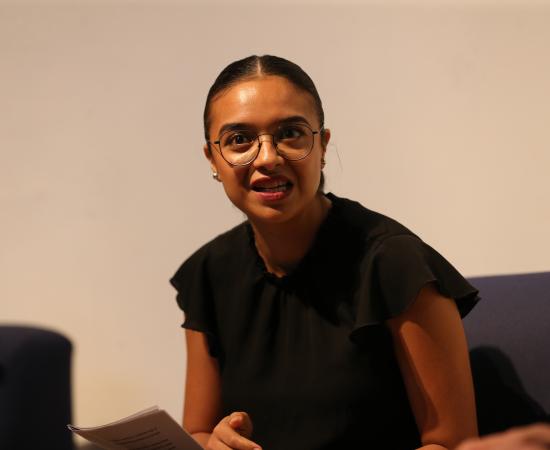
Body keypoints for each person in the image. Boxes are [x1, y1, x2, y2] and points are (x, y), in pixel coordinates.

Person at [170, 55, 481, 450]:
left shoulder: (395, 264)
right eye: (239, 140)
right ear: (213, 159)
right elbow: (197, 432)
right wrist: (214, 444)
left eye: (290, 133)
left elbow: (453, 444)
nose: (267, 158)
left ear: (322, 146)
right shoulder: (208, 273)